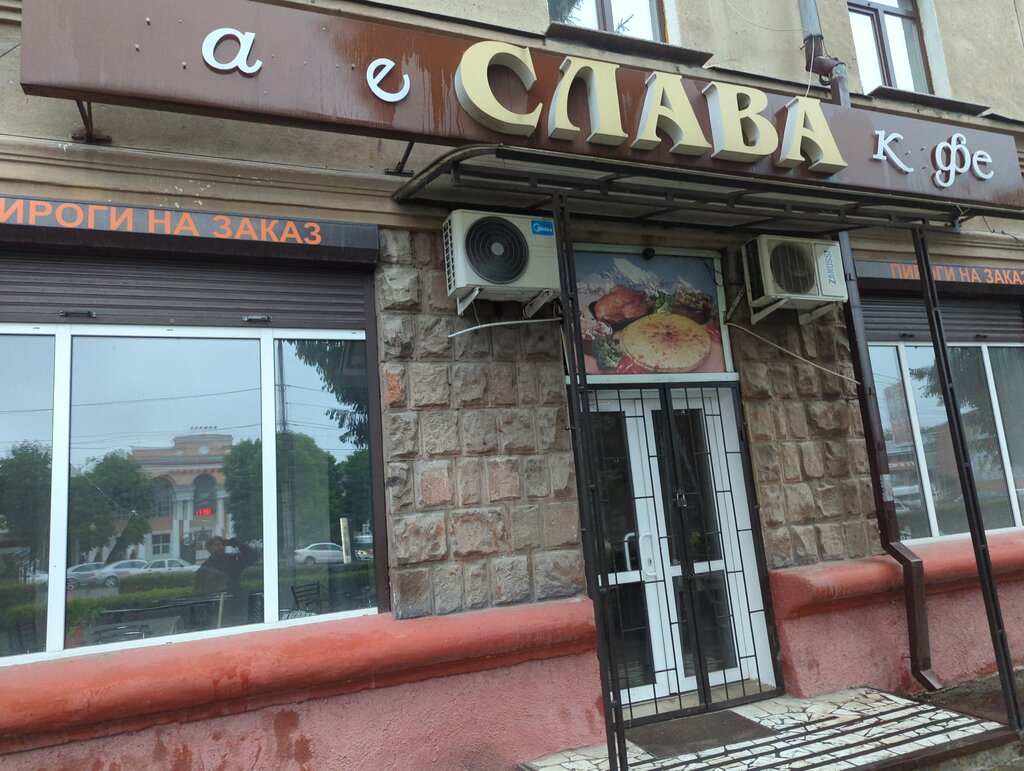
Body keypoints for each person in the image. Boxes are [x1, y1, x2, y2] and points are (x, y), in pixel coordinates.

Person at [194, 536, 258, 626]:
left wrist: (238, 545)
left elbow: (253, 557)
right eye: (217, 545)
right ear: (209, 548)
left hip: (236, 602)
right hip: (216, 605)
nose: (221, 547)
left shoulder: (233, 560)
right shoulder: (206, 567)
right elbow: (199, 589)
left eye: (222, 545)